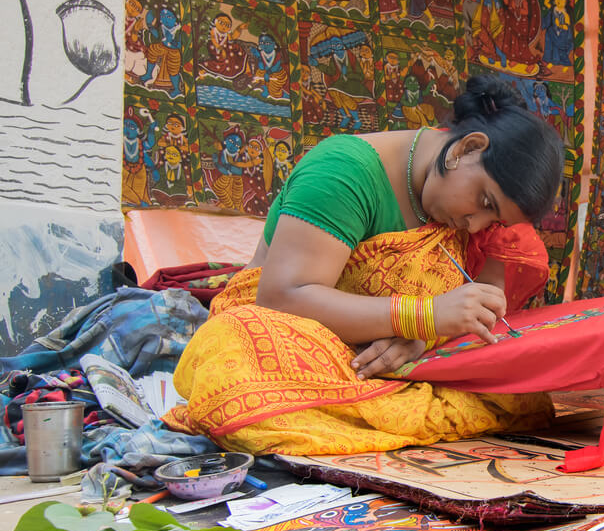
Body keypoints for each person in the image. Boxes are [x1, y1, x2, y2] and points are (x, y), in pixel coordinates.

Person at [167, 75, 564, 456]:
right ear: (465, 149)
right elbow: (282, 297)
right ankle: (378, 412)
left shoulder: (469, 213)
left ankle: (361, 413)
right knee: (235, 350)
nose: (476, 225)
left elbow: (471, 311)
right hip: (302, 340)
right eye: (485, 203)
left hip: (395, 352)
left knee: (519, 385)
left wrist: (424, 337)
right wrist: (420, 316)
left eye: (493, 221)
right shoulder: (343, 172)